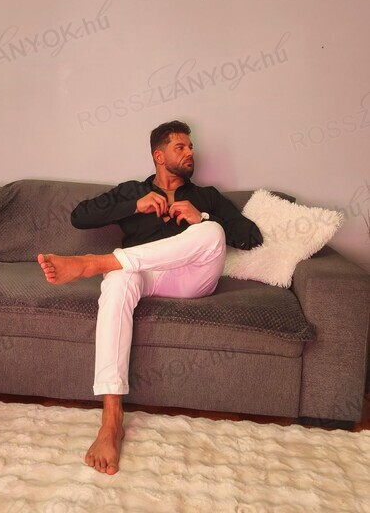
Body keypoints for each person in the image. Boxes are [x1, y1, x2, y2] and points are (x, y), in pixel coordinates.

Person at [37, 120, 263, 475]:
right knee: (117, 282)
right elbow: (80, 216)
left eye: (191, 147)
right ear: (159, 156)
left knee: (212, 233)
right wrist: (133, 206)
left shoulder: (207, 196)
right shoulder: (132, 191)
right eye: (180, 147)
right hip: (143, 276)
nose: (190, 153)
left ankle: (96, 263)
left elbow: (251, 237)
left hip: (191, 278)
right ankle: (111, 421)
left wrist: (202, 217)